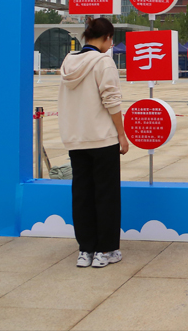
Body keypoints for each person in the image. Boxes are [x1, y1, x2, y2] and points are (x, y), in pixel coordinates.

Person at [58, 17, 129, 269]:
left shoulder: (68, 62)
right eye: (111, 40)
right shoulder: (103, 62)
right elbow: (111, 100)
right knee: (106, 195)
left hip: (76, 139)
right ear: (107, 38)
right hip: (102, 139)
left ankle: (85, 250)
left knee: (82, 195)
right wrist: (121, 134)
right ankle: (105, 250)